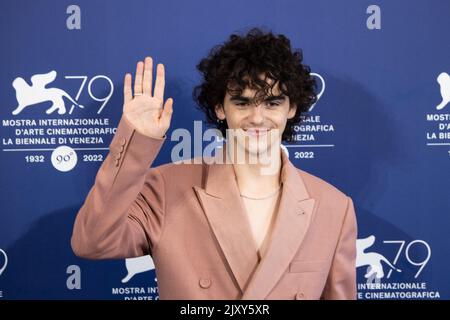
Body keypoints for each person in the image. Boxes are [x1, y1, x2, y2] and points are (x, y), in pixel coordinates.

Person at [71, 28, 357, 300]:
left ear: (291, 108)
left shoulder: (333, 208)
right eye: (242, 103)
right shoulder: (166, 189)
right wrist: (136, 143)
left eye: (271, 103)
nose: (257, 118)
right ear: (220, 108)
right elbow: (92, 241)